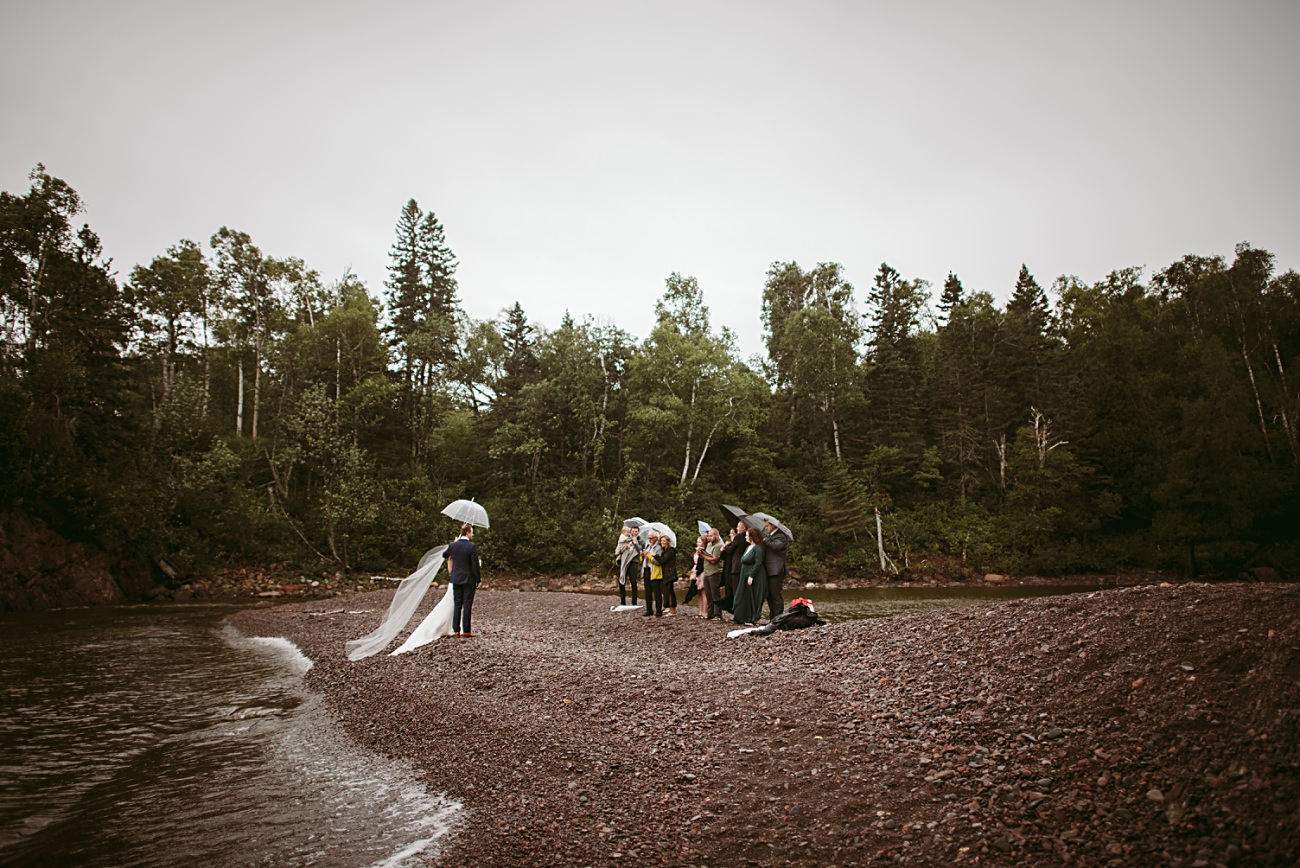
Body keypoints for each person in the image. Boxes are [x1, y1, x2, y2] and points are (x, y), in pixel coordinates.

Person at [445, 523, 481, 637]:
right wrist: (478, 579)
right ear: (468, 532)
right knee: (467, 605)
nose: (473, 534)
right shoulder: (472, 546)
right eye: (472, 532)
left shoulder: (453, 545)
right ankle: (466, 630)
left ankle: (456, 630)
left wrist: (454, 544)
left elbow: (445, 555)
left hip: (456, 578)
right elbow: (475, 565)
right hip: (469, 579)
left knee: (457, 604)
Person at [732, 528, 768, 626]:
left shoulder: (758, 548)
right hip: (745, 574)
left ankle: (751, 618)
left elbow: (758, 563)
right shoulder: (748, 547)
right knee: (741, 596)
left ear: (752, 537)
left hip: (755, 576)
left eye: (747, 535)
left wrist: (751, 576)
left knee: (752, 597)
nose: (745, 537)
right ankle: (741, 616)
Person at [760, 518, 790, 621]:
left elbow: (776, 547)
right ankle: (772, 617)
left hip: (776, 570)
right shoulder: (770, 536)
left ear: (774, 526)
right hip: (769, 569)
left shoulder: (781, 536)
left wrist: (765, 541)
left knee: (776, 594)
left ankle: (778, 617)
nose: (766, 528)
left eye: (767, 526)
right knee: (769, 595)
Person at [719, 521, 747, 615]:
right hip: (737, 567)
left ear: (744, 528)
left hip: (735, 567)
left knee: (735, 591)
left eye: (738, 527)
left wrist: (726, 546)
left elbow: (729, 550)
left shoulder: (739, 537)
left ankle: (737, 613)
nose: (737, 528)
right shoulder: (745, 539)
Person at [699, 527, 725, 620]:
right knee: (708, 594)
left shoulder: (719, 545)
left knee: (715, 594)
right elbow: (706, 557)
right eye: (708, 536)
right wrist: (701, 554)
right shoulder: (709, 544)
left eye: (710, 536)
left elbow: (714, 560)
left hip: (715, 572)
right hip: (707, 571)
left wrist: (702, 555)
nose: (708, 537)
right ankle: (710, 613)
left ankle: (718, 614)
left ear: (716, 535)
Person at [615, 526, 641, 606]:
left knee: (633, 582)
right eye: (632, 531)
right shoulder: (625, 539)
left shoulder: (640, 540)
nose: (634, 533)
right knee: (621, 581)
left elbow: (640, 550)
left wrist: (635, 543)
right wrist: (626, 547)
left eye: (636, 531)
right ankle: (622, 602)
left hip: (634, 562)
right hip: (624, 562)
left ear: (638, 532)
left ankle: (634, 602)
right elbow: (618, 550)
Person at [654, 534, 678, 615]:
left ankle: (673, 609)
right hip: (665, 572)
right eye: (661, 541)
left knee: (670, 591)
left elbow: (663, 560)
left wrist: (655, 556)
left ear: (668, 541)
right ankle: (668, 607)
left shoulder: (670, 550)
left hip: (670, 573)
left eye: (664, 541)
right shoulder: (665, 550)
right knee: (666, 590)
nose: (662, 542)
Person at [642, 532, 664, 617]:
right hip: (646, 570)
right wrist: (643, 555)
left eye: (651, 538)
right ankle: (649, 609)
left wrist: (648, 555)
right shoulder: (648, 546)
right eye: (648, 538)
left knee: (657, 591)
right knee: (647, 592)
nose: (649, 540)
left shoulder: (658, 548)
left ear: (655, 538)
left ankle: (658, 610)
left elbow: (657, 562)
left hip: (654, 571)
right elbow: (644, 558)